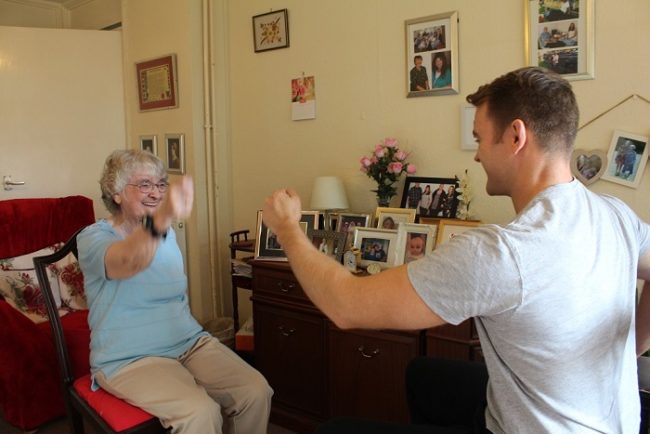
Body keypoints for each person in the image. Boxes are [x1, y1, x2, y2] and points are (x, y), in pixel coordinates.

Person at [262, 67, 650, 433]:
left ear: (516, 137)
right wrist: (629, 350)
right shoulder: (615, 214)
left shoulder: (502, 253)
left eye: (480, 138)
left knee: (334, 430)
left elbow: (345, 306)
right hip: (616, 423)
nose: (477, 154)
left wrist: (288, 230)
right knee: (423, 374)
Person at [77, 150, 272, 434]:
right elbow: (128, 261)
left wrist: (161, 220)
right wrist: (164, 214)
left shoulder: (165, 233)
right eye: (145, 184)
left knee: (256, 391)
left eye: (161, 184)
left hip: (188, 342)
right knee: (199, 413)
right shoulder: (93, 237)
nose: (156, 193)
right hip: (129, 358)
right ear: (115, 192)